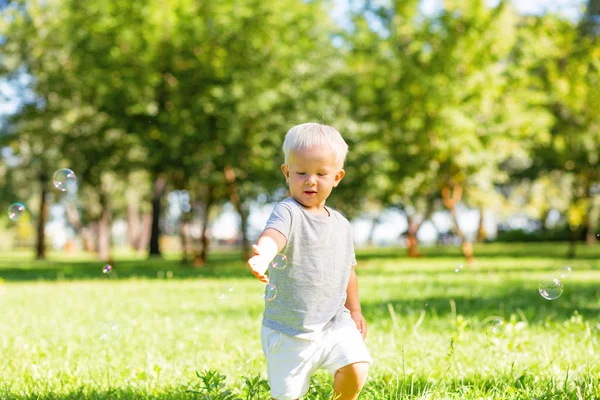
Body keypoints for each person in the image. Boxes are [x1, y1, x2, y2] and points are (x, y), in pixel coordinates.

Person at [247, 123, 372, 400]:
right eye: (301, 172)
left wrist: (356, 310)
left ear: (337, 177)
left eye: (320, 173)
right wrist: (264, 255)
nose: (310, 180)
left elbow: (348, 271)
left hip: (333, 322)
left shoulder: (342, 224)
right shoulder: (288, 212)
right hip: (290, 331)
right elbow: (274, 235)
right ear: (286, 172)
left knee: (357, 364)